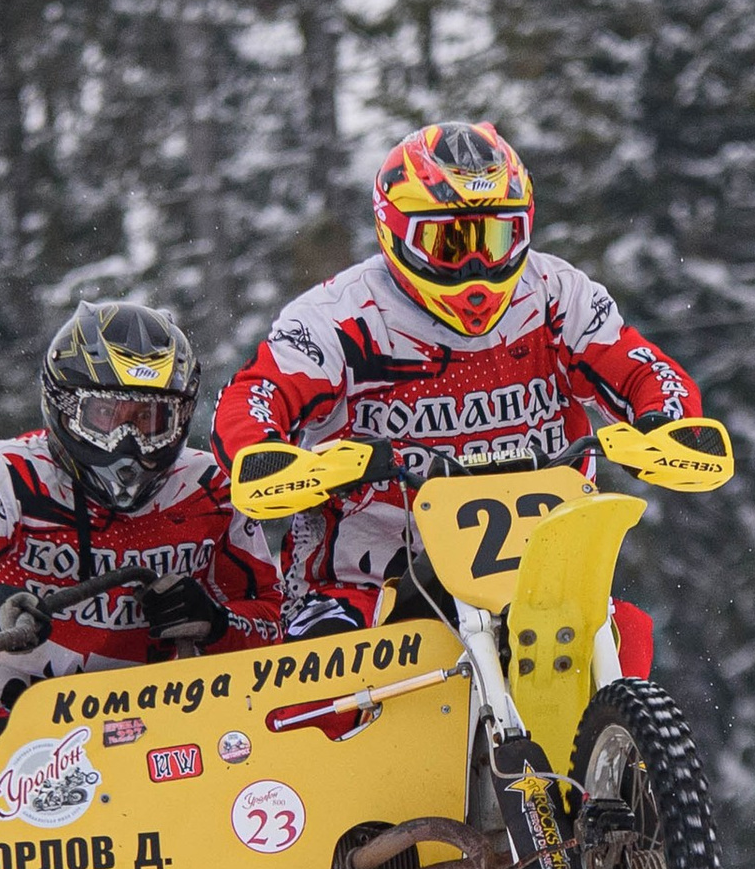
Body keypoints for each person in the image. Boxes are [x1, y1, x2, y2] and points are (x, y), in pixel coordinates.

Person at [212, 121, 702, 647]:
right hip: (370, 581)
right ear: (395, 231)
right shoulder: (340, 316)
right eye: (448, 241)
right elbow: (258, 392)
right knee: (328, 688)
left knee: (624, 636)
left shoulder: (557, 294)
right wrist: (262, 449)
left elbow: (636, 365)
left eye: (495, 238)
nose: (476, 266)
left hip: (540, 574)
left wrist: (665, 419)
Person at [0, 302, 280, 862]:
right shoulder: (7, 474)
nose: (129, 444)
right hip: (2, 703)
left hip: (158, 716)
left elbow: (280, 621)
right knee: (28, 802)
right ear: (65, 408)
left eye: (149, 421)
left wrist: (218, 621)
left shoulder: (211, 487)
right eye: (108, 416)